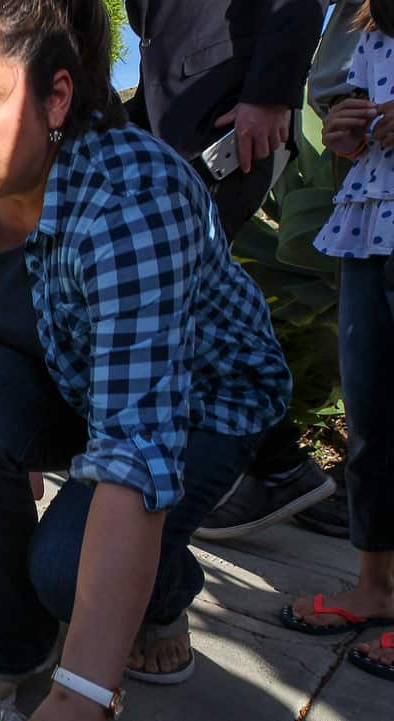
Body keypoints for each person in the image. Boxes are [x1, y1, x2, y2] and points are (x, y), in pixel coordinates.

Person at [0, 1, 291, 719]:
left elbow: (137, 447)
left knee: (64, 569)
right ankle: (12, 653)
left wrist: (83, 692)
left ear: (56, 96)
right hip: (75, 377)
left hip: (203, 401)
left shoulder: (131, 199)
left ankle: (163, 590)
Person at [123, 0, 334, 542]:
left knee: (176, 289)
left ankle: (278, 465)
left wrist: (269, 95)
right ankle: (275, 466)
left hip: (230, 122)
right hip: (177, 121)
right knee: (182, 294)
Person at [280, 0, 394, 685]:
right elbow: (341, 107)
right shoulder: (368, 23)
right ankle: (376, 581)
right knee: (372, 411)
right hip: (372, 224)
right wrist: (347, 125)